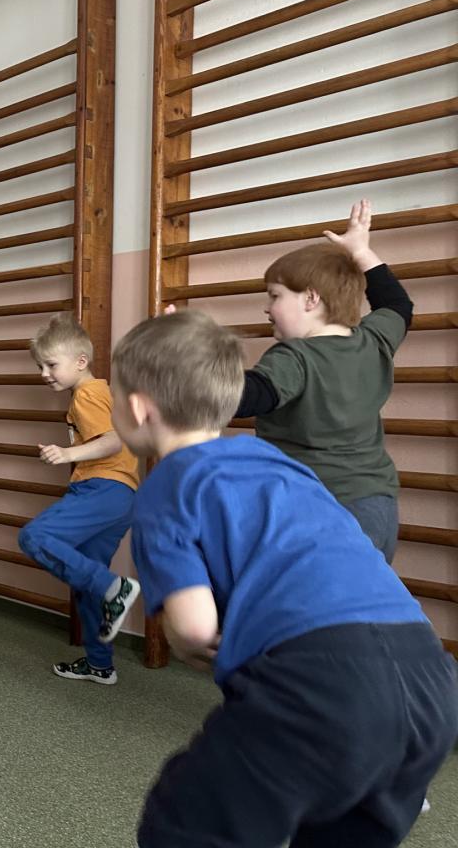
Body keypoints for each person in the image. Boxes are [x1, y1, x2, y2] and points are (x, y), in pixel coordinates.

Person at [111, 310, 457, 848]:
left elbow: (196, 627)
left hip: (323, 685)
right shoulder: (279, 463)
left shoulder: (169, 484)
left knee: (185, 822)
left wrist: (189, 643)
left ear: (137, 408)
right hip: (430, 680)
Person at [235, 199, 411, 561]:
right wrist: (361, 252)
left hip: (318, 508)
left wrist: (182, 357)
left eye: (275, 296)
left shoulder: (295, 357)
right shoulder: (372, 341)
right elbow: (397, 305)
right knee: (363, 593)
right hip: (377, 505)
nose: (267, 308)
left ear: (311, 299)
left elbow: (246, 396)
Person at [16, 314, 141, 685]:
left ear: (81, 361)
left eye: (51, 365)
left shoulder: (87, 394)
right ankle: (100, 664)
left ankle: (116, 588)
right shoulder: (102, 392)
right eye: (40, 367)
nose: (44, 374)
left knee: (34, 537)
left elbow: (114, 440)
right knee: (86, 582)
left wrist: (67, 454)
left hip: (102, 489)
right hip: (121, 496)